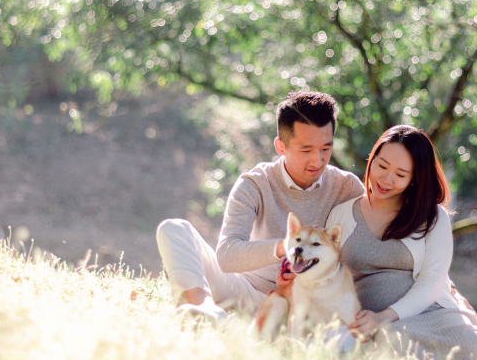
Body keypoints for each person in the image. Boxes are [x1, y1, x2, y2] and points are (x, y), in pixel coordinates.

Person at [328, 124, 477, 360]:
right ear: (372, 159)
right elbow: (326, 273)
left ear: (414, 179)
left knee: (449, 338)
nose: (386, 180)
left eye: (400, 175)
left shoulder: (432, 217)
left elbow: (432, 281)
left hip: (428, 312)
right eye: (382, 166)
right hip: (370, 321)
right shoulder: (341, 215)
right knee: (387, 343)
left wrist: (384, 316)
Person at [155, 91, 365, 321]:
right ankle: (205, 310)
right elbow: (227, 255)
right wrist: (285, 247)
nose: (317, 160)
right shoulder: (255, 183)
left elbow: (365, 251)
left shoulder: (347, 187)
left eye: (325, 148)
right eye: (306, 150)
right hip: (247, 291)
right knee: (174, 229)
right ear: (281, 147)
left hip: (307, 304)